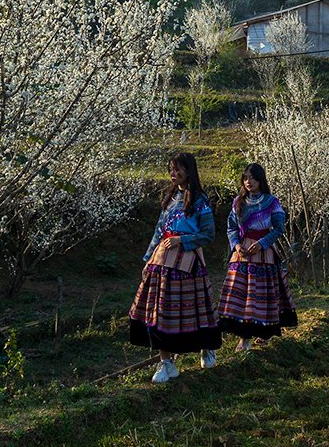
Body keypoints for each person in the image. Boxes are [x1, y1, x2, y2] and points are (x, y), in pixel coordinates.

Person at [128, 152, 222, 383]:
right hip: (163, 260)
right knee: (160, 312)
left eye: (177, 169)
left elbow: (209, 234)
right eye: (170, 169)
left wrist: (183, 240)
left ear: (189, 171)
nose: (173, 173)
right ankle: (166, 362)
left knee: (194, 312)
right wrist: (149, 259)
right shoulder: (169, 199)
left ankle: (206, 348)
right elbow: (159, 231)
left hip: (188, 261)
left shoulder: (200, 200)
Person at [215, 163, 298, 351]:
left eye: (252, 178)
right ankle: (244, 338)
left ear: (260, 180)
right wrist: (236, 245)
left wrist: (261, 244)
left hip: (263, 252)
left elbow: (278, 229)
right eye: (245, 178)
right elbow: (231, 228)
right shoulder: (238, 202)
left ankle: (263, 332)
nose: (248, 181)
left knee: (261, 294)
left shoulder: (271, 202)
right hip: (242, 253)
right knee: (241, 294)